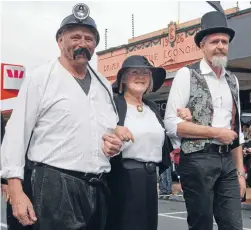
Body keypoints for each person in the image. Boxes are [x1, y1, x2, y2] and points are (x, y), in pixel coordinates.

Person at [1, 3, 122, 230]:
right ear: (60, 41)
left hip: (98, 188)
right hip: (55, 186)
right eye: (75, 37)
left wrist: (116, 145)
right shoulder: (41, 78)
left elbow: (110, 131)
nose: (82, 43)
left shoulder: (104, 85)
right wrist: (15, 190)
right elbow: (16, 133)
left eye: (89, 38)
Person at [165, 11, 246, 230]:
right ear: (202, 45)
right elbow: (172, 124)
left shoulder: (232, 79)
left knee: (233, 225)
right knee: (201, 224)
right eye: (215, 41)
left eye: (225, 42)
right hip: (197, 159)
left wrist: (240, 172)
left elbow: (235, 129)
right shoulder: (186, 74)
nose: (220, 46)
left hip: (227, 162)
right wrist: (215, 133)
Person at [104, 55, 173, 230]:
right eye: (134, 72)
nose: (140, 76)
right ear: (124, 79)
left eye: (145, 72)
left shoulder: (152, 108)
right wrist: (114, 128)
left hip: (150, 178)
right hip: (122, 177)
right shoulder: (112, 105)